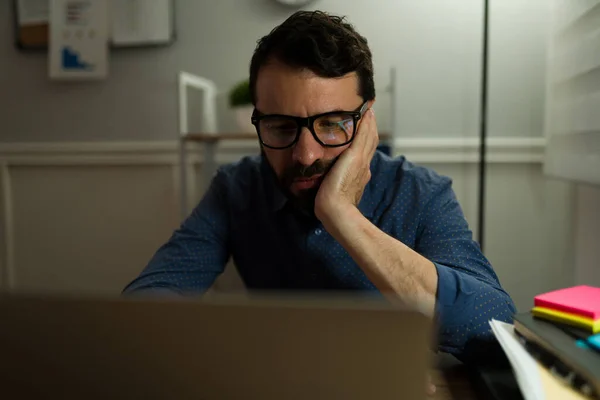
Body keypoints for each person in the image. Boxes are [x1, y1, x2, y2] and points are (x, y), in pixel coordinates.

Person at [124, 11, 516, 367]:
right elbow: (144, 309)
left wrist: (340, 214)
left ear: (367, 123)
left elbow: (494, 327)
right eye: (280, 126)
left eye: (332, 123)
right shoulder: (237, 188)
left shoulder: (420, 193)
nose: (306, 153)